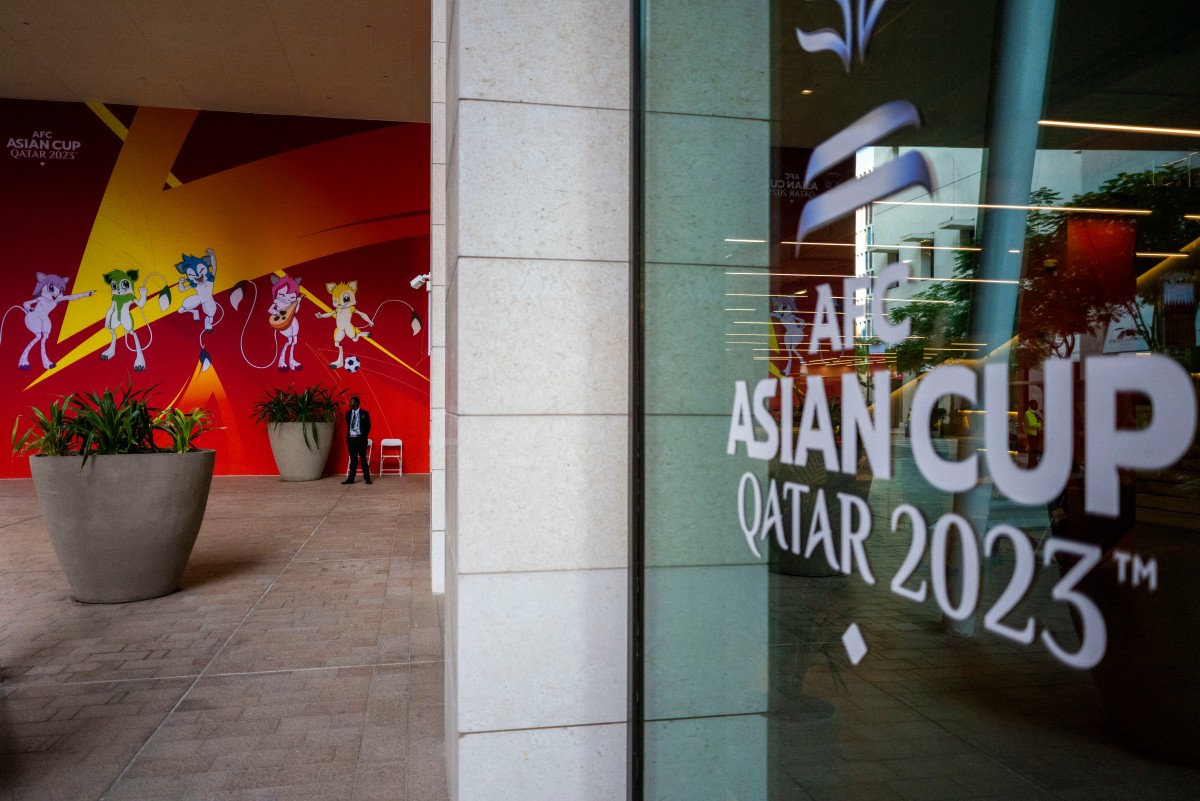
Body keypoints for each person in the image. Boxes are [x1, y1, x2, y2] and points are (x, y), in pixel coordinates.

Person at [343, 395, 372, 484]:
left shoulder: (364, 413)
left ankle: (367, 478)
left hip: (360, 439)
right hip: (351, 439)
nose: (349, 404)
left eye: (351, 402)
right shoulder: (348, 414)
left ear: (356, 403)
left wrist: (363, 436)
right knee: (353, 459)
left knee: (363, 459)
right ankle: (351, 478)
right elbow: (348, 425)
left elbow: (368, 426)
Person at [1024, 398, 1044, 469]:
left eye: (1037, 404)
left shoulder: (1035, 413)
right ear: (1031, 405)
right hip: (1032, 434)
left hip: (1036, 434)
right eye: (1036, 404)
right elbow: (1031, 423)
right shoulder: (1028, 413)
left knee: (1034, 449)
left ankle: (1033, 462)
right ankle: (1032, 463)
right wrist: (1040, 425)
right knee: (1032, 449)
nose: (1037, 406)